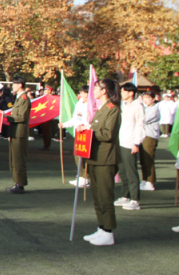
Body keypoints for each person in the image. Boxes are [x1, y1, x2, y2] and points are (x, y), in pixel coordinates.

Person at [78, 79, 122, 246]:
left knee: (105, 196)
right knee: (97, 196)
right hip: (95, 157)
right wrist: (87, 128)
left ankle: (108, 232)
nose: (93, 91)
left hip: (106, 158)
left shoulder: (112, 109)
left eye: (96, 88)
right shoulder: (102, 108)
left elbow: (107, 134)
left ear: (104, 91)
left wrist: (89, 130)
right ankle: (102, 228)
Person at [113, 83, 145, 211]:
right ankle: (125, 196)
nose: (121, 94)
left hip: (130, 143)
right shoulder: (123, 105)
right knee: (123, 171)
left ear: (131, 93)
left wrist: (137, 143)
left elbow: (140, 125)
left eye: (123, 91)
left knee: (131, 172)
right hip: (121, 142)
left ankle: (135, 200)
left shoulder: (138, 106)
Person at [59, 85, 90, 187]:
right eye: (83, 93)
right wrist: (64, 125)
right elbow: (75, 118)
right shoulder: (79, 103)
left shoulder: (92, 104)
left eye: (87, 93)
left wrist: (86, 126)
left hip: (87, 132)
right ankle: (81, 176)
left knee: (85, 156)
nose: (85, 95)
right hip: (78, 132)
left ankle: (86, 177)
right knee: (78, 155)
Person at [6, 76, 31, 194]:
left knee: (19, 160)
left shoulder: (24, 99)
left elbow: (21, 117)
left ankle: (20, 184)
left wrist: (7, 117)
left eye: (14, 84)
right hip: (15, 132)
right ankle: (17, 182)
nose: (13, 86)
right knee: (14, 159)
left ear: (20, 85)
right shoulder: (19, 98)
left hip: (20, 133)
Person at [139, 90, 160, 191]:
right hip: (144, 135)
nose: (145, 100)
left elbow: (144, 119)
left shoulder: (154, 109)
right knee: (143, 159)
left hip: (150, 136)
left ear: (153, 99)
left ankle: (150, 181)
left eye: (148, 98)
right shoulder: (146, 108)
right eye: (144, 98)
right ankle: (145, 179)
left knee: (148, 159)